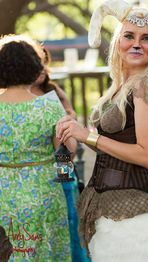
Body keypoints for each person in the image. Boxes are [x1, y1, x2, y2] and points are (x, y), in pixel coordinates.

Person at [56, 0, 148, 262]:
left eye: (146, 38)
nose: (136, 43)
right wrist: (77, 130)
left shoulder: (147, 86)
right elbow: (114, 143)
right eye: (129, 35)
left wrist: (89, 136)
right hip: (111, 209)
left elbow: (147, 156)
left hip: (135, 222)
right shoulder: (123, 85)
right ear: (118, 41)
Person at [0, 34, 77, 261]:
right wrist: (65, 182)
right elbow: (67, 150)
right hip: (44, 193)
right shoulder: (49, 105)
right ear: (34, 68)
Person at [30, 45, 90, 262]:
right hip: (37, 164)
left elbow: (70, 112)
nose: (41, 72)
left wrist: (68, 115)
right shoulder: (20, 95)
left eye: (43, 67)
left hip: (61, 156)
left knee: (66, 199)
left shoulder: (53, 91)